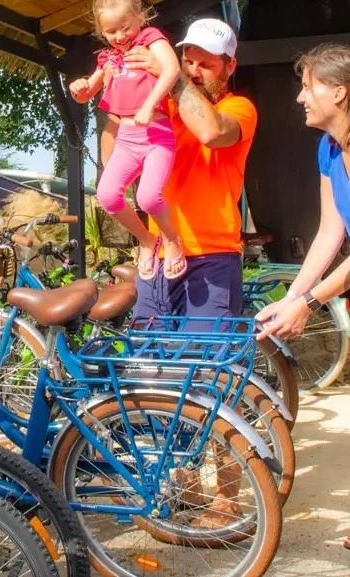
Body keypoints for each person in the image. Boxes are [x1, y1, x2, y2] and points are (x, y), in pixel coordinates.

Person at [112, 19, 258, 529]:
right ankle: (186, 483)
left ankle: (230, 497)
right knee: (157, 374)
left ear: (229, 67)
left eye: (206, 63)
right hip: (159, 255)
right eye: (188, 59)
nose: (195, 70)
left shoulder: (239, 109)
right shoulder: (165, 105)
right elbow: (121, 154)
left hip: (213, 256)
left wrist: (170, 77)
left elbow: (212, 132)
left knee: (212, 378)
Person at [252, 42, 349, 547]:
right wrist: (292, 296)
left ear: (340, 91)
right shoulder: (328, 149)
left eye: (308, 86)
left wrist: (310, 305)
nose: (299, 97)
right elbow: (331, 232)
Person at [69, 0, 183, 280]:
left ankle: (172, 239)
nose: (119, 36)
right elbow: (86, 94)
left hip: (157, 135)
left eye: (125, 28)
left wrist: (149, 105)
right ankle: (147, 240)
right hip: (127, 140)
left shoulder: (150, 39)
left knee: (148, 197)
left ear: (140, 18)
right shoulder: (109, 58)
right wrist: (78, 87)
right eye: (111, 32)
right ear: (101, 32)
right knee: (107, 196)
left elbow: (172, 69)